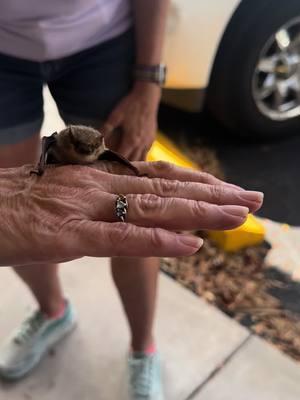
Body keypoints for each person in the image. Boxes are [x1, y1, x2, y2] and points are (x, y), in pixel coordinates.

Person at [0, 1, 263, 398]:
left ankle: (144, 346)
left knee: (134, 214)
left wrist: (149, 83)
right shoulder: (57, 147)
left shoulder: (101, 150)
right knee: (21, 214)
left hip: (102, 40)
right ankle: (52, 310)